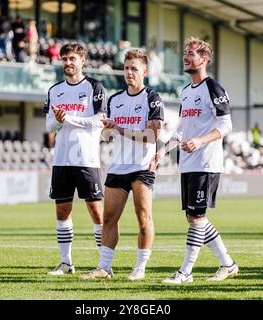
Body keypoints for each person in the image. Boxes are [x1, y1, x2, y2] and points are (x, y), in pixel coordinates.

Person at [150, 37, 238, 284]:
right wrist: (162, 151)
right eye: (185, 53)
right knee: (193, 217)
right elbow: (182, 129)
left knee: (196, 217)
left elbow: (227, 125)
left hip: (206, 163)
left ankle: (185, 272)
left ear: (204, 59)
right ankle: (228, 264)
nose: (185, 57)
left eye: (191, 54)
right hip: (188, 164)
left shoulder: (214, 88)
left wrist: (200, 141)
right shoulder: (186, 92)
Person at [80, 49, 164, 281]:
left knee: (143, 216)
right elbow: (107, 136)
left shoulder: (152, 98)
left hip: (142, 166)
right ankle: (104, 268)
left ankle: (140, 267)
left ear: (144, 72)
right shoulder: (115, 99)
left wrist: (119, 129)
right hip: (118, 166)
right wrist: (106, 128)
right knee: (108, 218)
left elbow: (152, 136)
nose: (129, 73)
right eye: (126, 68)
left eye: (134, 69)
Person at [44, 42, 106, 275]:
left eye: (72, 59)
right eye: (65, 59)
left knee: (96, 212)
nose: (68, 63)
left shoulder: (94, 87)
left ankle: (104, 263)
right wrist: (59, 120)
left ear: (82, 61)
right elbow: (49, 125)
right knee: (62, 211)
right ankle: (66, 263)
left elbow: (99, 120)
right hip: (61, 160)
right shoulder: (54, 90)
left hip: (86, 160)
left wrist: (68, 118)